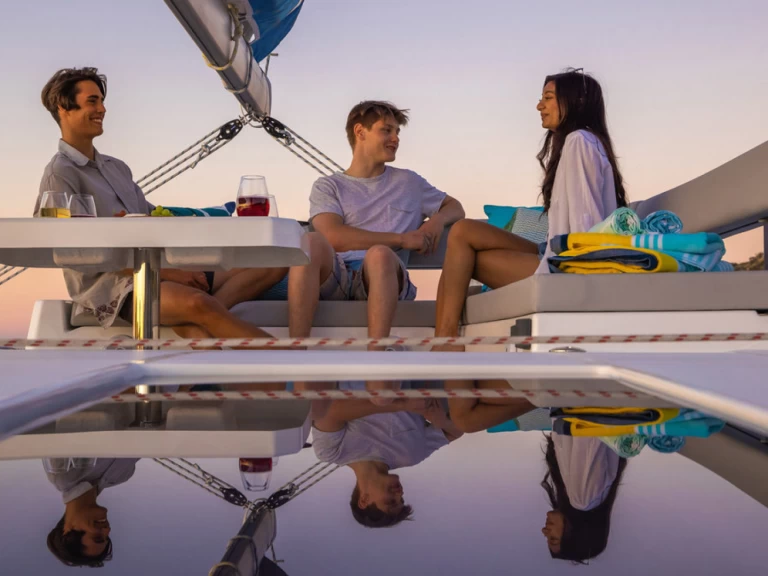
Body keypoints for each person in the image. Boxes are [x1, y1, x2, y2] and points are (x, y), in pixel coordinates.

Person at [35, 67, 286, 338]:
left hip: (158, 270)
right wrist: (169, 273)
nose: (103, 109)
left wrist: (182, 253)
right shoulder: (60, 174)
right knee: (198, 304)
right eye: (92, 101)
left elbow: (148, 220)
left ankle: (200, 322)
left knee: (275, 262)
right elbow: (66, 250)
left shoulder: (117, 168)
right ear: (63, 108)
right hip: (112, 287)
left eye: (102, 101)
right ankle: (290, 367)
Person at [434, 69, 627, 338]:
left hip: (569, 269)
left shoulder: (579, 142)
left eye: (548, 98)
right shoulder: (582, 141)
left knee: (464, 258)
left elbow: (588, 224)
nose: (539, 105)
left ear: (576, 102)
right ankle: (443, 339)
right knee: (463, 230)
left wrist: (585, 281)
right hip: (553, 253)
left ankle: (444, 341)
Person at [289, 100, 465, 344]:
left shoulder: (409, 182)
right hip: (338, 276)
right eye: (386, 130)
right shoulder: (329, 186)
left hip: (387, 277)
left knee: (379, 255)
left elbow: (455, 207)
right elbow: (332, 237)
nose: (395, 138)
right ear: (360, 132)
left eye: (397, 132)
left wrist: (436, 221)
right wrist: (402, 239)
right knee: (311, 241)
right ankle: (295, 354)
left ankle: (377, 363)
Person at [445, 379, 626, 562]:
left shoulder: (578, 495)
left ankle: (450, 360)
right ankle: (451, 355)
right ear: (578, 533)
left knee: (472, 409)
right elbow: (586, 430)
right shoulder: (584, 499)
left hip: (567, 392)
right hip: (580, 389)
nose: (544, 531)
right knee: (467, 419)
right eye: (553, 538)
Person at [313, 388, 462, 528]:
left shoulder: (332, 452)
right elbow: (454, 432)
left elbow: (329, 412)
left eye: (391, 501)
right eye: (401, 500)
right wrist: (441, 421)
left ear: (364, 500)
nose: (400, 494)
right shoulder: (412, 456)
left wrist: (400, 404)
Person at [44, 457, 138, 567]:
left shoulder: (61, 473)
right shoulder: (121, 476)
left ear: (67, 531)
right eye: (106, 537)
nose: (107, 529)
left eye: (97, 537)